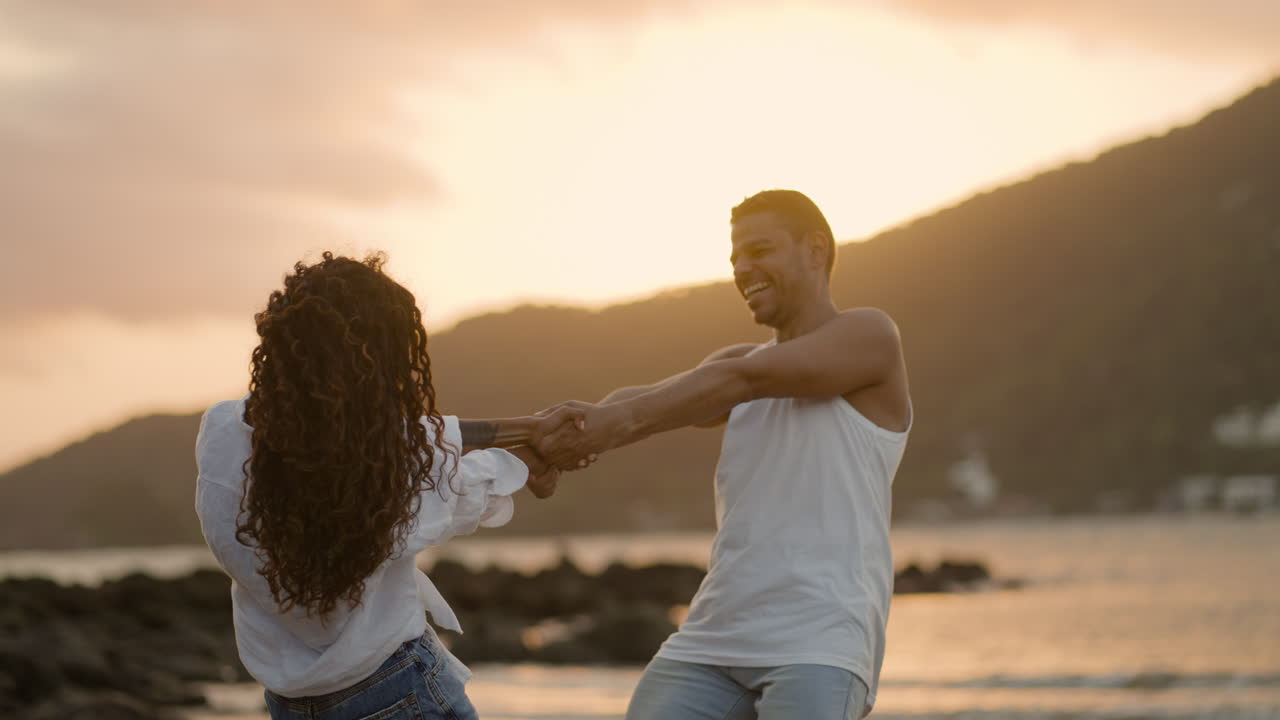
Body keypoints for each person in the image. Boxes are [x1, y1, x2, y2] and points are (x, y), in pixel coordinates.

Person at [539, 190, 912, 719]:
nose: (741, 269)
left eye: (759, 251)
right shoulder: (737, 364)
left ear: (815, 249)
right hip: (712, 639)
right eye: (735, 258)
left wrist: (609, 425)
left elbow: (740, 381)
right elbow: (648, 397)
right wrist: (549, 437)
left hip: (820, 642)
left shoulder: (870, 336)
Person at [194, 252, 587, 720]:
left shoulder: (222, 433)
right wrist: (534, 457)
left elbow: (412, 439)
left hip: (292, 705)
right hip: (398, 692)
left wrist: (530, 429)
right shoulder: (377, 474)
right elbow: (456, 480)